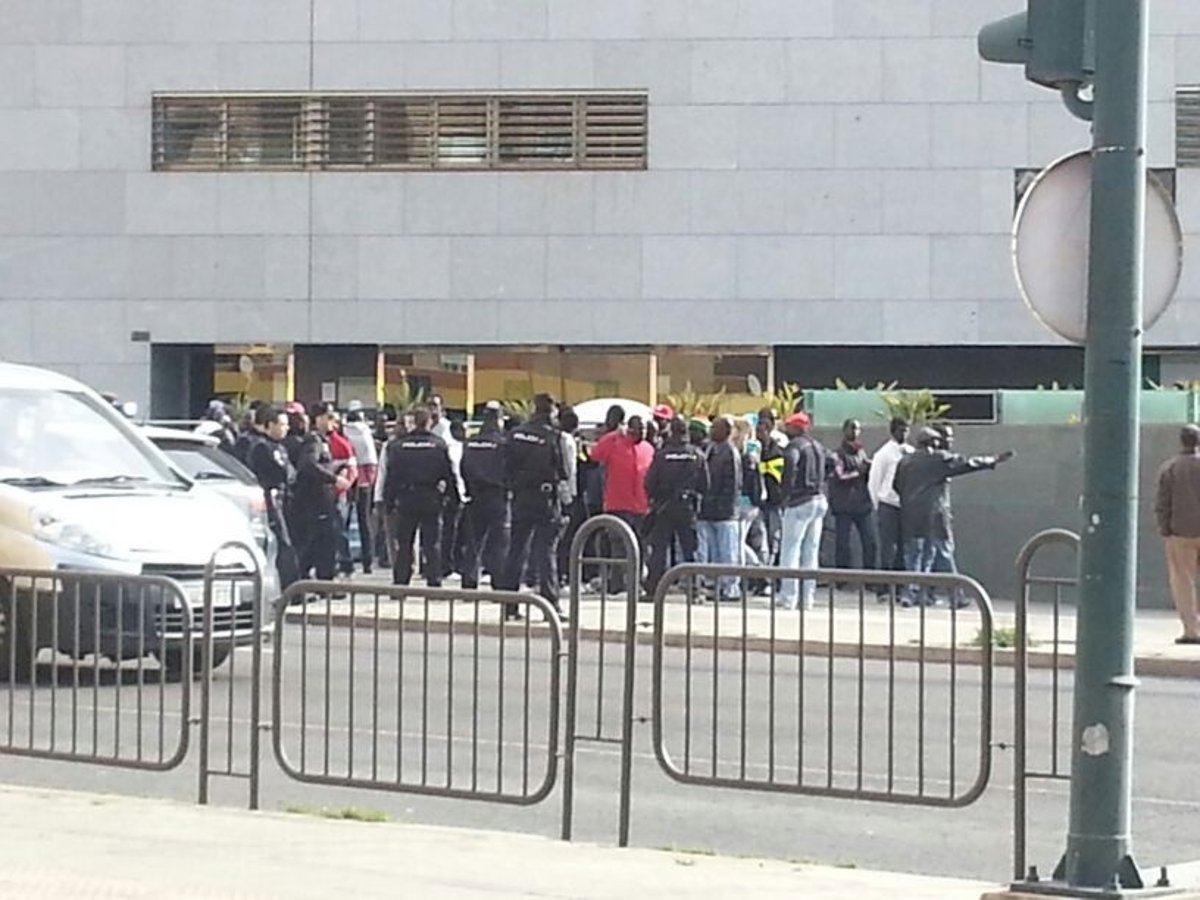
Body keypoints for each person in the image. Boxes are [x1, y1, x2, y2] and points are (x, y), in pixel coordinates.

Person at [893, 426, 1013, 608]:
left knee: (914, 556)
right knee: (943, 555)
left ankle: (910, 595)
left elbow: (896, 485)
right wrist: (992, 460)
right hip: (935, 515)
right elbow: (967, 463)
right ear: (933, 443)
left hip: (910, 516)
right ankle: (956, 596)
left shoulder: (905, 461)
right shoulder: (938, 459)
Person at [497, 393, 566, 621]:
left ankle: (509, 605)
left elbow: (504, 467)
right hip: (545, 499)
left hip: (520, 498)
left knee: (516, 550)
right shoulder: (554, 436)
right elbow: (563, 471)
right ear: (551, 411)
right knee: (545, 552)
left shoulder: (515, 434)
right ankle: (550, 605)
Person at [381, 407, 454, 587]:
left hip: (407, 499)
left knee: (404, 544)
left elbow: (391, 478)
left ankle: (400, 583)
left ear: (413, 423)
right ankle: (434, 582)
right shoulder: (438, 445)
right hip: (431, 498)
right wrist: (451, 498)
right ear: (429, 422)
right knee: (432, 544)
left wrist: (388, 502)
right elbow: (448, 475)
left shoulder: (398, 446)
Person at [590, 413, 656, 594]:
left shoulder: (648, 449)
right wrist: (613, 435)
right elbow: (595, 455)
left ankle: (635, 583)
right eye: (638, 428)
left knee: (640, 547)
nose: (642, 432)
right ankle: (617, 584)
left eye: (644, 429)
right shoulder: (614, 443)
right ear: (630, 428)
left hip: (641, 506)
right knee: (618, 546)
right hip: (617, 505)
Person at [645, 416, 708, 598]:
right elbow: (705, 485)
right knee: (690, 550)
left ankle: (654, 589)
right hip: (687, 508)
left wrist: (657, 498)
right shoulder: (697, 455)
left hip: (664, 508)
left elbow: (649, 483)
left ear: (671, 431)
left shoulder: (662, 455)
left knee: (659, 550)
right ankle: (694, 590)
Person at [291, 402, 351, 581]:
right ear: (318, 419)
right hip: (316, 500)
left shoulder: (323, 440)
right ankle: (320, 582)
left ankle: (322, 580)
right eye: (329, 417)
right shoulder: (314, 441)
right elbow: (308, 465)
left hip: (323, 500)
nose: (333, 421)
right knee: (322, 543)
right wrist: (333, 479)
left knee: (324, 542)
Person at [777, 412, 829, 611]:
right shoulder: (818, 446)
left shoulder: (795, 446)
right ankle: (807, 598)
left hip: (799, 501)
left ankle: (788, 597)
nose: (786, 429)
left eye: (789, 426)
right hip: (818, 499)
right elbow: (832, 463)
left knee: (790, 550)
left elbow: (790, 466)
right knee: (810, 552)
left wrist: (785, 494)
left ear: (796, 428)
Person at [1154, 424, 1200, 643]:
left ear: (1182, 441)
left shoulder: (1170, 468)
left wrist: (1165, 530)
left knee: (1183, 581)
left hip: (1180, 532)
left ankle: (1192, 630)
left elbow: (1162, 503)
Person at [246, 405, 300, 589]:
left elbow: (291, 472)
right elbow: (282, 471)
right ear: (270, 425)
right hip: (270, 499)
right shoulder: (262, 447)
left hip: (284, 498)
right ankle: (289, 587)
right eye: (282, 424)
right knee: (282, 541)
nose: (286, 428)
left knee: (289, 540)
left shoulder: (280, 447)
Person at [460, 402, 509, 590]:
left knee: (473, 541)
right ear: (499, 420)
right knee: (499, 542)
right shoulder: (503, 443)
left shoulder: (471, 442)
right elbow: (508, 469)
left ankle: (469, 580)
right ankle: (499, 581)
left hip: (475, 495)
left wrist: (469, 488)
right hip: (497, 496)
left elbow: (463, 467)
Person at [697, 415, 742, 602]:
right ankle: (717, 586)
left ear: (727, 431)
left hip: (725, 513)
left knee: (728, 552)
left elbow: (733, 485)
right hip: (710, 510)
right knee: (715, 553)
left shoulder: (730, 453)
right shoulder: (711, 449)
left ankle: (730, 588)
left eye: (716, 428)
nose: (711, 431)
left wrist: (723, 507)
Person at [868, 417, 912, 601]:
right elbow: (874, 482)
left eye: (907, 430)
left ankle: (901, 589)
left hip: (906, 506)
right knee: (888, 549)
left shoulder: (911, 452)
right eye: (901, 430)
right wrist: (878, 504)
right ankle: (884, 589)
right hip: (888, 505)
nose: (904, 433)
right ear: (893, 431)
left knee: (904, 549)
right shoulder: (884, 454)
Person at [829, 418, 877, 575]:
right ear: (845, 430)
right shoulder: (837, 454)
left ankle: (870, 578)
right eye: (852, 428)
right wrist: (859, 472)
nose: (855, 432)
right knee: (843, 545)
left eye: (857, 429)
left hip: (862, 505)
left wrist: (869, 469)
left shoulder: (861, 452)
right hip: (844, 506)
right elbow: (840, 476)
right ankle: (842, 579)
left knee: (870, 542)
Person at [342, 407, 378, 575]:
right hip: (366, 476)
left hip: (349, 475)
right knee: (365, 520)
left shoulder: (344, 432)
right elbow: (372, 458)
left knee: (345, 520)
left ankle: (345, 560)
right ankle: (367, 562)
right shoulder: (366, 432)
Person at [555, 406, 582, 584]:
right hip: (566, 494)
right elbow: (569, 470)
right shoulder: (567, 441)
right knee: (565, 538)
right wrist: (570, 496)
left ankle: (560, 574)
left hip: (558, 492)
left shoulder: (557, 438)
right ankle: (562, 574)